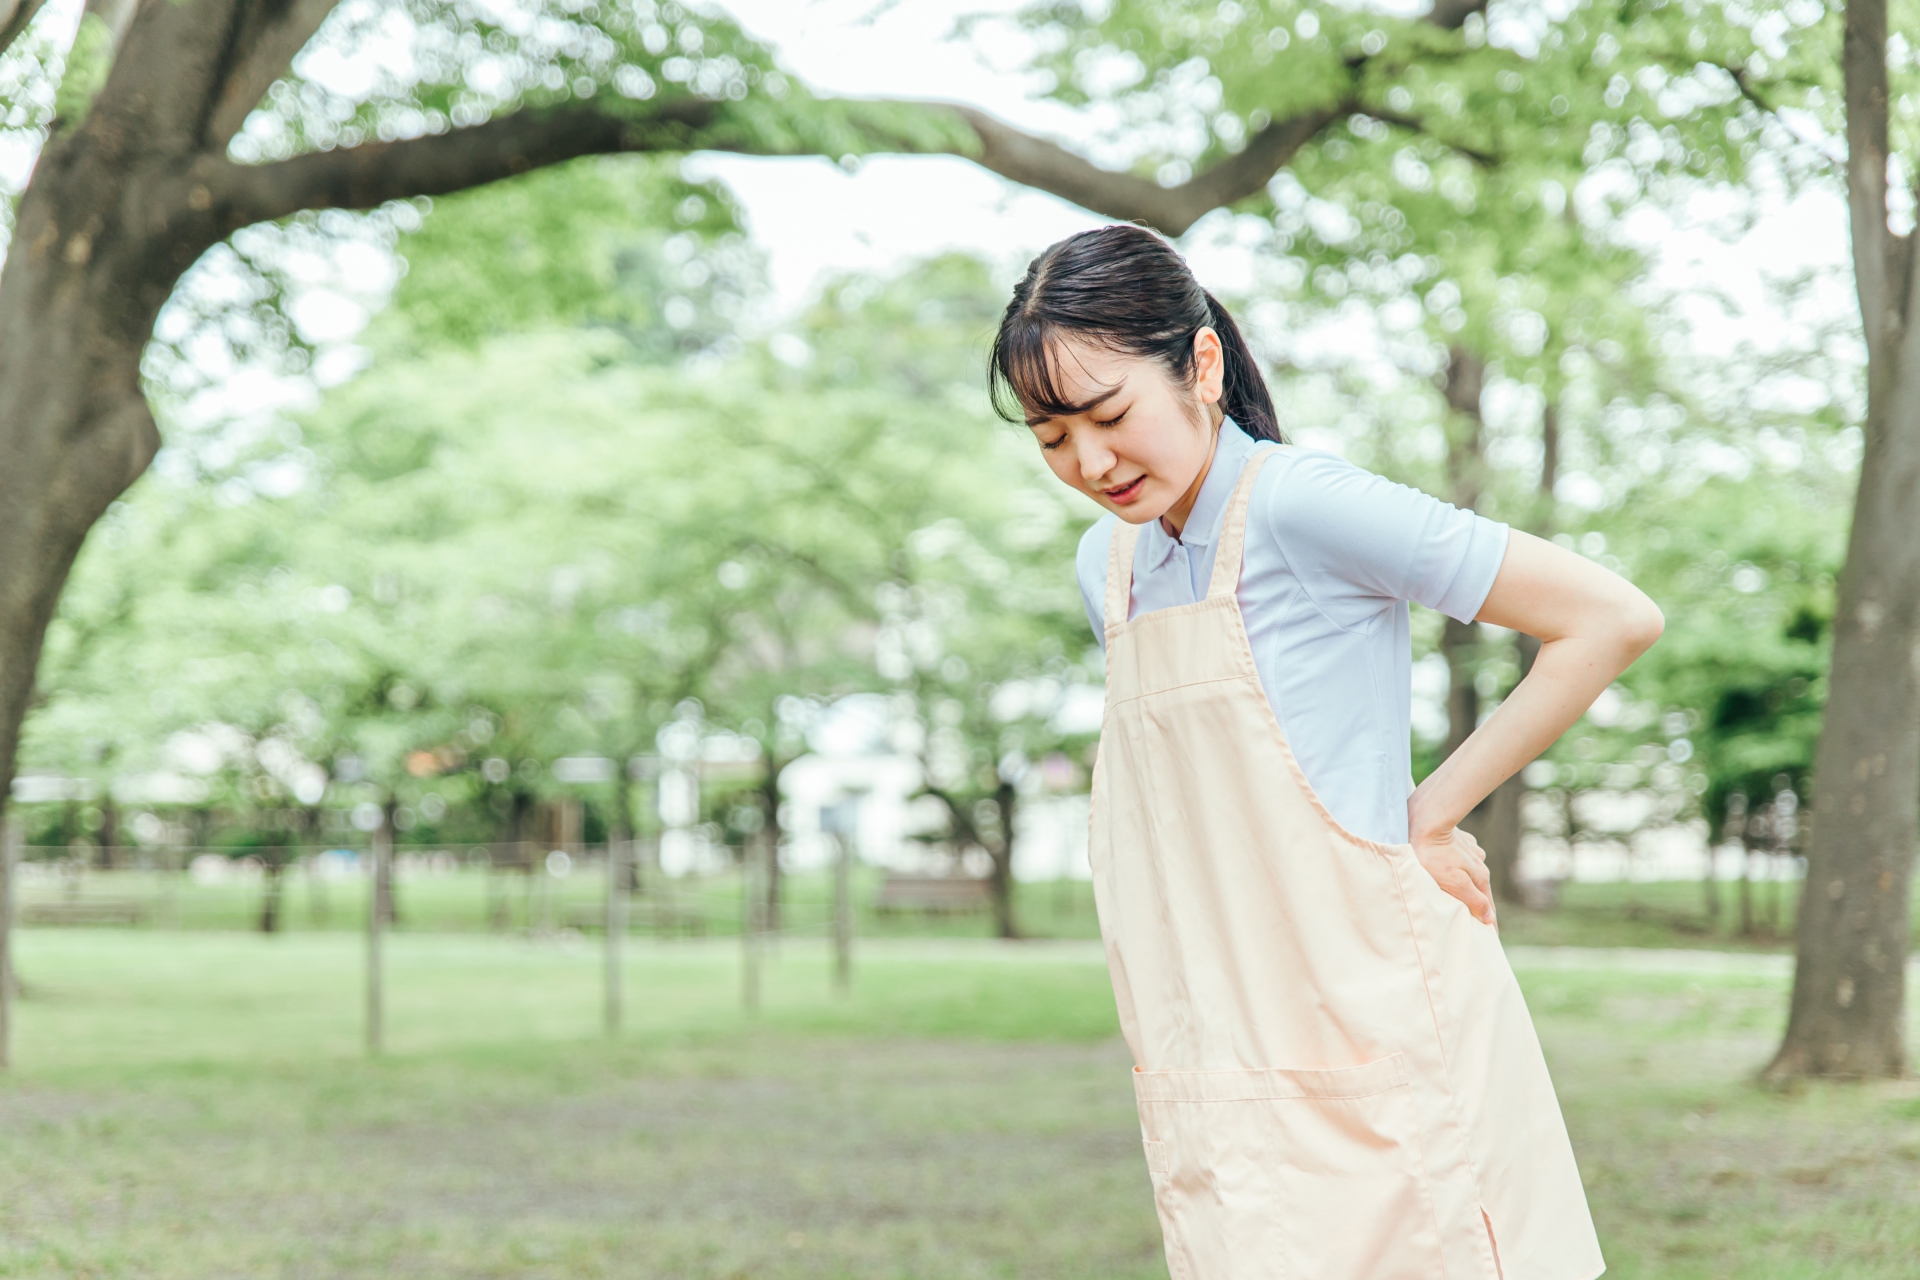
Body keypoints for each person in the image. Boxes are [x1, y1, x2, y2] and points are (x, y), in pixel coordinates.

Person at [990, 225, 1656, 1280]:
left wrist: (1427, 815)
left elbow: (1607, 618)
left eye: (1109, 415)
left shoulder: (1304, 504)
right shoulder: (1106, 565)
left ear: (1202, 364)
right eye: (1052, 436)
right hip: (1215, 1047)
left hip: (1381, 1014)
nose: (1092, 463)